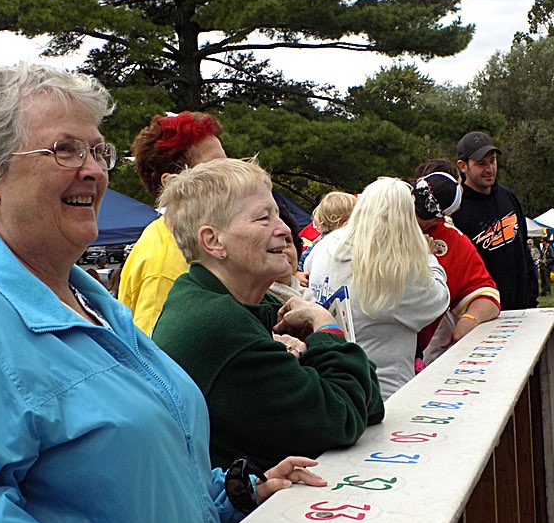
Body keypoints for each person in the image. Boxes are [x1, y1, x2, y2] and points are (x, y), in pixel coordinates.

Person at [0, 64, 325, 523]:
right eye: (63, 149)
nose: (92, 169)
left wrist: (236, 494)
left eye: (96, 149)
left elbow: (127, 474)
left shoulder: (88, 298)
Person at [152, 158, 384, 472]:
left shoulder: (225, 302)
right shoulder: (220, 325)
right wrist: (325, 326)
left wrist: (313, 354)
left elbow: (368, 402)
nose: (285, 229)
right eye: (264, 218)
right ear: (213, 241)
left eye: (277, 214)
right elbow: (343, 417)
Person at [307, 177, 450, 400]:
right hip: (384, 393)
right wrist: (428, 256)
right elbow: (438, 299)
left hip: (330, 382)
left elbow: (308, 270)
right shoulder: (397, 269)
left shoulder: (327, 246)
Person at [119, 111, 226, 334]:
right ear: (172, 183)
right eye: (214, 168)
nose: (229, 175)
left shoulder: (188, 239)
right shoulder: (166, 260)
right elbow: (156, 355)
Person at [412, 164, 501, 364]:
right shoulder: (374, 210)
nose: (414, 218)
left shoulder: (450, 240)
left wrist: (469, 320)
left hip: (406, 358)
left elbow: (487, 295)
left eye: (425, 217)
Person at [453, 131, 536, 310]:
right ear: (463, 166)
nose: (489, 169)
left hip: (523, 308)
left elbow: (523, 249)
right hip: (482, 312)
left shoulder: (508, 198)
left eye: (492, 161)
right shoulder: (457, 209)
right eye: (481, 164)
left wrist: (532, 296)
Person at [267, 204, 315, 303]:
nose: (281, 250)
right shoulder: (256, 301)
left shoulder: (307, 296)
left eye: (287, 241)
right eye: (271, 245)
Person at [300, 191, 357, 271]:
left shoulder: (319, 243)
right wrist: (298, 273)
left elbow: (301, 260)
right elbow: (301, 260)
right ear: (345, 224)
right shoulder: (320, 242)